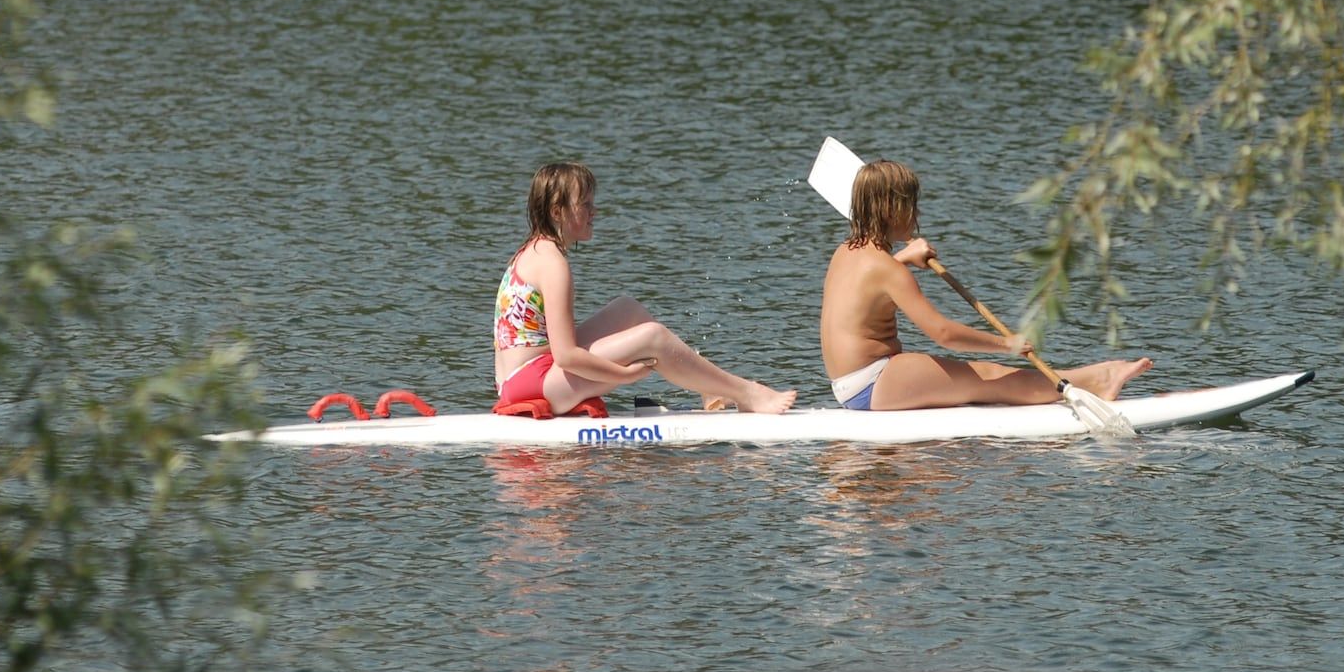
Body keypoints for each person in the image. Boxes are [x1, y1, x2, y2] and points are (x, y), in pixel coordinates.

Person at [820, 158, 1152, 411]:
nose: (916, 213)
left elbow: (870, 284)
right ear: (894, 210)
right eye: (911, 205)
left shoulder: (845, 253)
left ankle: (1093, 376)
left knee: (983, 374)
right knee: (992, 376)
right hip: (875, 382)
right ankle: (1099, 379)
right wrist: (1005, 343)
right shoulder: (889, 271)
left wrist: (904, 257)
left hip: (847, 385)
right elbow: (944, 334)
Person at [494, 162, 798, 415]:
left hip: (521, 376)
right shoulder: (553, 263)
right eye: (585, 204)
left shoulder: (533, 251)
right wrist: (623, 376)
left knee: (627, 309)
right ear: (558, 212)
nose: (594, 211)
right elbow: (567, 357)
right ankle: (747, 393)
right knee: (653, 337)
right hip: (535, 382)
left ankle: (710, 387)